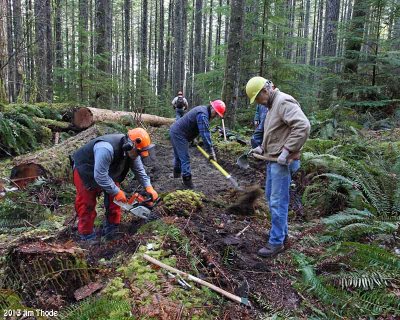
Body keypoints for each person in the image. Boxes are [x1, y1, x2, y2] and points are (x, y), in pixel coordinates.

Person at [246, 76, 310, 258]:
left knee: (277, 201)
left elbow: (303, 126)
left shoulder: (283, 102)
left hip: (281, 162)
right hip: (272, 159)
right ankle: (282, 235)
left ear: (265, 91)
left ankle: (276, 243)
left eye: (258, 99)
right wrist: (261, 148)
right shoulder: (271, 106)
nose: (258, 103)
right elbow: (276, 132)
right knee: (270, 197)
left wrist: (287, 150)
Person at [71, 128, 159, 241]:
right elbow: (100, 176)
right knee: (86, 204)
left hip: (108, 171)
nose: (138, 156)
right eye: (138, 153)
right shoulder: (105, 148)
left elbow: (139, 171)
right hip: (86, 170)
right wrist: (116, 191)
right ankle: (86, 235)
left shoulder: (133, 152)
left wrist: (149, 187)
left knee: (117, 201)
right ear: (129, 145)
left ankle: (112, 229)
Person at [169, 100, 226, 189]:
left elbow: (192, 124)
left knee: (179, 156)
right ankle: (187, 182)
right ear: (212, 107)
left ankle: (176, 175)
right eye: (216, 113)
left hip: (175, 130)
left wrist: (193, 138)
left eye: (218, 115)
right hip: (179, 134)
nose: (216, 116)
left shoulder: (202, 110)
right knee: (184, 158)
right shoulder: (203, 115)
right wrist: (211, 152)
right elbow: (205, 134)